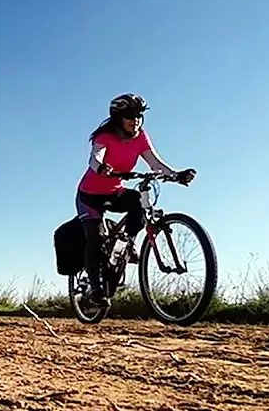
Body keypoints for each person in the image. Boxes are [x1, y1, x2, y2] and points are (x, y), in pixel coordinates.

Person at [76, 93, 196, 306]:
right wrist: (102, 168)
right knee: (94, 240)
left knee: (140, 206)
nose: (136, 120)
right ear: (117, 118)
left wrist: (176, 175)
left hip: (115, 191)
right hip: (90, 197)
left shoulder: (141, 137)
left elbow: (155, 162)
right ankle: (95, 290)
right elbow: (95, 158)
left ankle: (124, 244)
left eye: (139, 115)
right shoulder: (105, 136)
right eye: (130, 115)